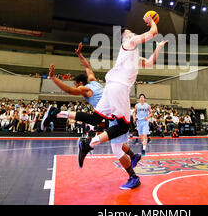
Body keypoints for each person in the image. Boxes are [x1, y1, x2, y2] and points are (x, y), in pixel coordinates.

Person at [44, 31, 166, 190]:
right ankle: (131, 164)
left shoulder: (86, 88)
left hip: (113, 100)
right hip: (113, 100)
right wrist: (80, 56)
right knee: (117, 142)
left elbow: (150, 59)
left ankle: (88, 140)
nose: (128, 32)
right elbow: (87, 67)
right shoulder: (95, 78)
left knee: (112, 135)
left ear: (80, 82)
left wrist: (158, 46)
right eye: (127, 32)